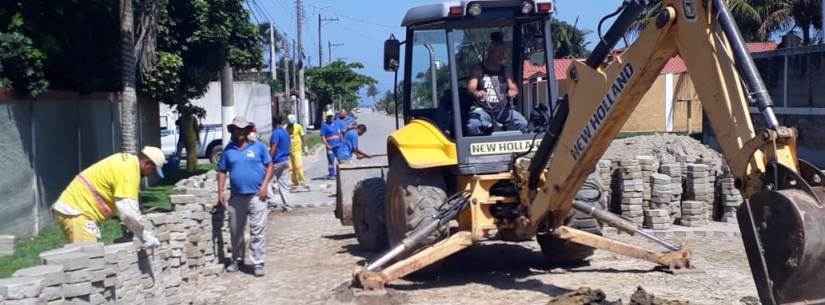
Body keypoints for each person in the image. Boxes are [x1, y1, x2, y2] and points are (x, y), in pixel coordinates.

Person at [52, 146, 166, 247]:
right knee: (88, 260)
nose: (150, 174)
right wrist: (144, 236)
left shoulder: (126, 162)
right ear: (146, 163)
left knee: (86, 260)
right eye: (152, 170)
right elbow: (128, 212)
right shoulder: (130, 171)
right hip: (77, 212)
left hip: (76, 210)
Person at [217, 116, 273, 277]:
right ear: (233, 131)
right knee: (235, 231)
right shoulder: (228, 151)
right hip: (236, 198)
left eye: (243, 129)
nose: (240, 132)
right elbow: (222, 171)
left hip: (257, 196)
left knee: (257, 231)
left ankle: (258, 262)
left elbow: (270, 166)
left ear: (248, 130)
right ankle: (237, 259)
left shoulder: (259, 148)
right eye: (236, 129)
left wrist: (265, 186)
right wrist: (220, 191)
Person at [466, 32, 528, 136]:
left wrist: (511, 92)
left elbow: (513, 88)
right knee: (473, 125)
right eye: (499, 53)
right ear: (490, 52)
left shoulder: (505, 70)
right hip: (483, 110)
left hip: (503, 110)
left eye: (503, 53)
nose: (502, 56)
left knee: (522, 123)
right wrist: (477, 92)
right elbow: (471, 87)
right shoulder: (479, 69)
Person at [268, 116, 291, 208]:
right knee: (283, 183)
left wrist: (269, 160)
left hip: (277, 161)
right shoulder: (285, 133)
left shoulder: (276, 133)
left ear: (274, 123)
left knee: (267, 179)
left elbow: (274, 147)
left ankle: (270, 201)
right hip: (285, 160)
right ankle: (287, 203)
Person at [286, 114, 309, 191]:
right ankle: (295, 182)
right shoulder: (285, 128)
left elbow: (303, 137)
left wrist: (305, 147)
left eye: (292, 124)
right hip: (289, 150)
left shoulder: (298, 126)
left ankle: (302, 181)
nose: (291, 126)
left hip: (297, 149)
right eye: (290, 124)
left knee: (298, 166)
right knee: (291, 168)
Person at [320, 111, 343, 180]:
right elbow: (322, 136)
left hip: (338, 145)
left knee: (340, 159)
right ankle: (331, 174)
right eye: (329, 116)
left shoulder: (336, 124)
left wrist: (342, 142)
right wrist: (327, 145)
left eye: (331, 116)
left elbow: (340, 133)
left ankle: (341, 173)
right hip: (330, 146)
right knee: (331, 161)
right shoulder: (324, 125)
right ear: (327, 117)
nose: (330, 118)